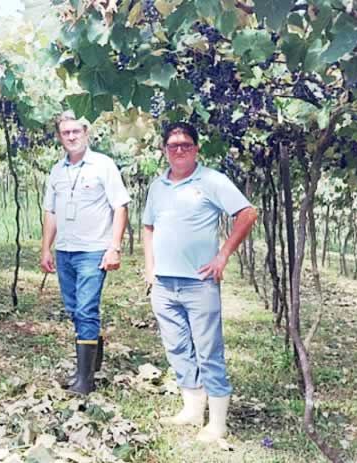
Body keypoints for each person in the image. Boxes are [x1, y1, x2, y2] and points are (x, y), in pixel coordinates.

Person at [142, 122, 257, 442]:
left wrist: (222, 256)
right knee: (177, 347)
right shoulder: (157, 186)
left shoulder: (211, 180)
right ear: (164, 150)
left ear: (196, 149)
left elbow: (247, 213)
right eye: (173, 145)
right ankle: (192, 410)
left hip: (199, 283)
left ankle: (218, 422)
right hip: (164, 284)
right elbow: (148, 226)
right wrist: (150, 268)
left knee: (208, 351)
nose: (179, 150)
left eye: (186, 145)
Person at [40, 111, 130, 395]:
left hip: (93, 251)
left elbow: (120, 206)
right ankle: (89, 367)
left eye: (76, 131)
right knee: (74, 310)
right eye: (66, 133)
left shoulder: (103, 165)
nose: (71, 137)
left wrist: (114, 247)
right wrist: (46, 248)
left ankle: (84, 380)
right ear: (60, 137)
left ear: (86, 133)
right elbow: (50, 211)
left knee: (86, 309)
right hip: (65, 251)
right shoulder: (57, 171)